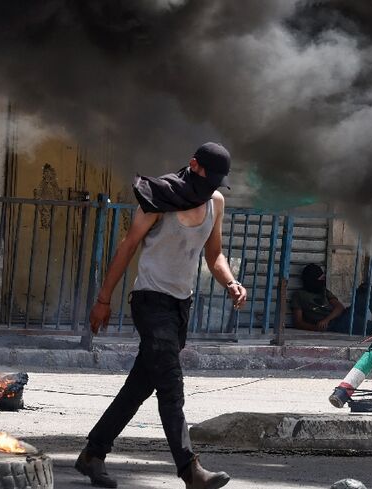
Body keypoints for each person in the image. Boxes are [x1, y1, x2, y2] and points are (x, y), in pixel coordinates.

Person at [75, 143, 246, 489]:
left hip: (180, 306)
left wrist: (230, 282)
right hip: (150, 301)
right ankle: (189, 469)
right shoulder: (159, 196)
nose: (211, 187)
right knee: (171, 385)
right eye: (208, 178)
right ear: (194, 165)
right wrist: (103, 299)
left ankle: (93, 453)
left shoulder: (215, 202)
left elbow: (214, 255)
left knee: (139, 386)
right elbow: (127, 246)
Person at [291, 264, 372, 335]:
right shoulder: (299, 295)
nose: (323, 281)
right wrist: (316, 328)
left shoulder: (323, 291)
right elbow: (298, 322)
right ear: (311, 280)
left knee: (366, 289)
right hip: (338, 324)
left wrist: (326, 319)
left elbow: (339, 307)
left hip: (345, 315)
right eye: (321, 279)